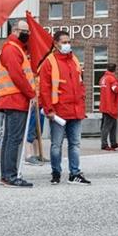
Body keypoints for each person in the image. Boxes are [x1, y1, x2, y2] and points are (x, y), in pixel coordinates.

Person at [39, 30, 91, 185]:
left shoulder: (74, 59)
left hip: (75, 110)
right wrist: (48, 109)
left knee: (74, 144)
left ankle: (74, 173)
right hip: (58, 111)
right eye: (64, 42)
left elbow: (80, 84)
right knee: (56, 145)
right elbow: (44, 88)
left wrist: (82, 104)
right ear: (56, 44)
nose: (67, 44)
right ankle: (56, 172)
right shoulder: (49, 62)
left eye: (69, 41)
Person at [0, 20, 37, 187]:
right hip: (16, 98)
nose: (27, 34)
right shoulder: (12, 49)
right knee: (14, 139)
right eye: (24, 30)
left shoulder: (13, 48)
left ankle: (7, 175)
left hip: (12, 98)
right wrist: (31, 94)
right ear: (15, 30)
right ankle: (11, 175)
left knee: (9, 139)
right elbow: (17, 75)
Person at [99, 63, 118, 150]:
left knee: (112, 125)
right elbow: (115, 89)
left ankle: (113, 142)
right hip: (110, 105)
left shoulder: (103, 78)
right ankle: (104, 144)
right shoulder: (111, 79)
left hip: (104, 105)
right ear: (115, 70)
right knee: (107, 126)